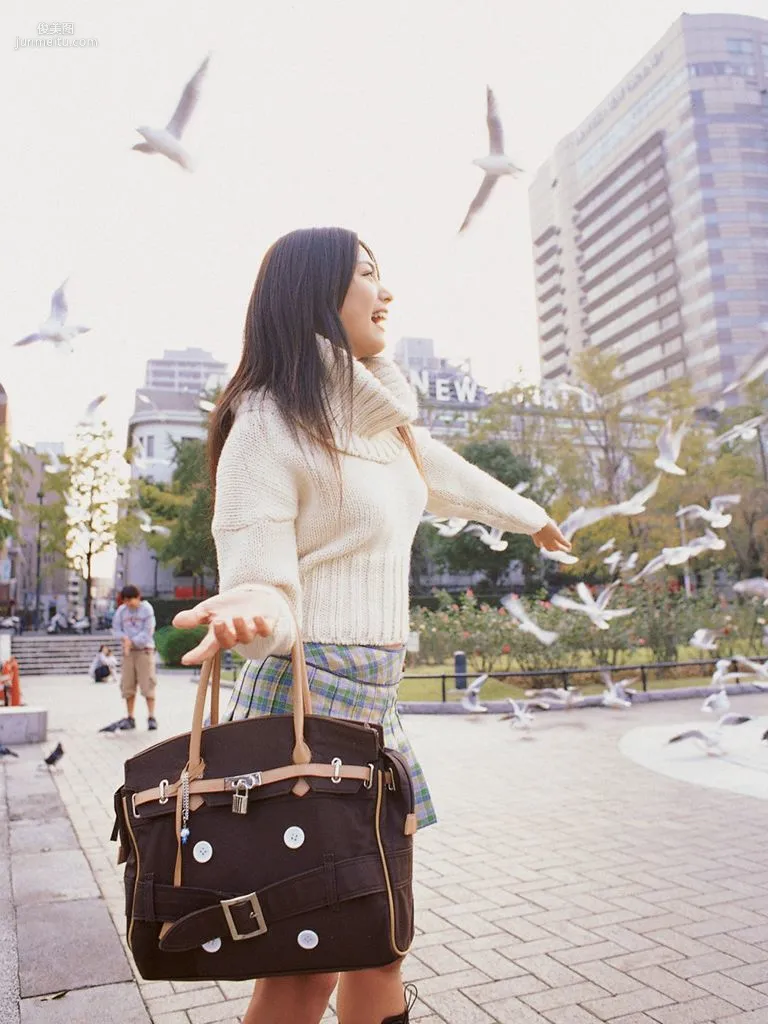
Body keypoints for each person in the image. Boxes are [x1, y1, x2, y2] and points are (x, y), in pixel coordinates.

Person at [172, 227, 571, 1024]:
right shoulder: (267, 421)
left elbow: (453, 479)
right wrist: (250, 614)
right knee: (303, 969)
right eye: (367, 276)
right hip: (304, 703)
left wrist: (533, 520)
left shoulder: (385, 428)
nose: (386, 293)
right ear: (317, 292)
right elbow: (263, 577)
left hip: (373, 710)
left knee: (379, 936)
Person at [112, 584, 158, 730]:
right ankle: (130, 717)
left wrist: (132, 642)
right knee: (128, 685)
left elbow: (148, 631)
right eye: (125, 600)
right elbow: (116, 629)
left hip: (144, 651)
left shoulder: (146, 609)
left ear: (138, 597)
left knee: (147, 685)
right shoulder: (121, 611)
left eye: (130, 600)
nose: (128, 603)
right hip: (128, 654)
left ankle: (151, 717)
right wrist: (124, 638)